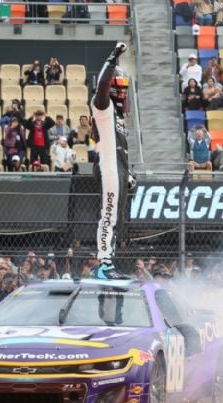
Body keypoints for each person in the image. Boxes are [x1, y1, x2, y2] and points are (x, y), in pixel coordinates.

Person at [91, 43, 133, 280]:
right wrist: (113, 57)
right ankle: (104, 264)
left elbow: (121, 151)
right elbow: (102, 85)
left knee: (117, 219)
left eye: (125, 87)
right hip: (109, 171)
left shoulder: (118, 117)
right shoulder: (103, 108)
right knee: (108, 216)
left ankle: (110, 262)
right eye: (120, 87)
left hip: (119, 171)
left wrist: (129, 174)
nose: (123, 91)